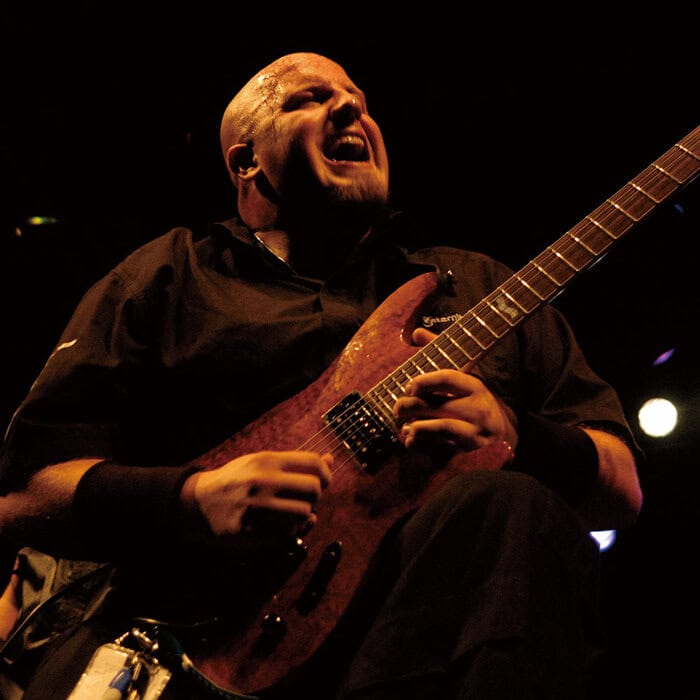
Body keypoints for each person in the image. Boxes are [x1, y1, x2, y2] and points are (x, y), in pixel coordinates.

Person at [0, 52, 643, 699]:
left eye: (357, 96)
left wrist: (515, 435)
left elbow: (621, 490)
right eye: (307, 98)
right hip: (172, 641)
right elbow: (23, 495)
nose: (350, 107)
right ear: (246, 162)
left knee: (512, 503)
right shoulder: (168, 274)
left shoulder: (476, 287)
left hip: (413, 639)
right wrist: (192, 498)